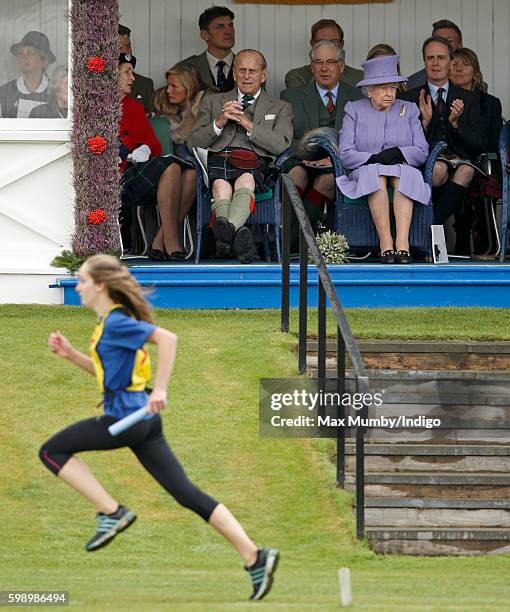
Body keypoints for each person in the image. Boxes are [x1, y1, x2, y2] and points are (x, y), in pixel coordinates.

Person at [38, 254, 279, 601]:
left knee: (51, 451)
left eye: (82, 281)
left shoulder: (118, 322)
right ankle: (255, 556)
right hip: (143, 422)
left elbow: (168, 338)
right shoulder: (110, 323)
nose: (77, 287)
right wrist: (73, 355)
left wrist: (162, 389)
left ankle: (112, 512)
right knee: (186, 493)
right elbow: (113, 377)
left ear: (101, 286)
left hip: (128, 420)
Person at [188, 49, 293, 264]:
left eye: (252, 71)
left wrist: (247, 123)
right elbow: (193, 142)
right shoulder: (213, 101)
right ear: (234, 74)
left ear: (263, 75)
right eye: (242, 70)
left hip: (255, 163)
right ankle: (236, 235)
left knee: (246, 179)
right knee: (220, 185)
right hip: (219, 160)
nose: (247, 76)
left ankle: (226, 239)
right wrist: (219, 121)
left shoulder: (281, 107)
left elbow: (281, 144)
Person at [337, 55, 431, 264]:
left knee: (405, 175)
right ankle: (386, 244)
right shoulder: (354, 109)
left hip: (401, 166)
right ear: (369, 90)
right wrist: (373, 158)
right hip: (367, 167)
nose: (390, 93)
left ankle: (403, 244)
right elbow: (345, 153)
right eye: (383, 88)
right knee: (375, 175)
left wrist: (398, 153)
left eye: (393, 88)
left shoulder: (409, 109)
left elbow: (422, 150)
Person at [400, 37, 486, 227]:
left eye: (441, 57)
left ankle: (429, 228)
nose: (435, 63)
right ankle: (428, 231)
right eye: (430, 58)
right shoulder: (408, 98)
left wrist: (456, 125)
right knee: (438, 169)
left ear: (450, 62)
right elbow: (402, 142)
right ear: (424, 62)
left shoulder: (469, 98)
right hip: (424, 163)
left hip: (461, 160)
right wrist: (424, 123)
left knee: (466, 170)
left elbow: (480, 144)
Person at [281, 41, 362, 240]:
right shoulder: (291, 97)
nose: (324, 68)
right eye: (318, 62)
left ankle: (295, 241)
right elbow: (285, 138)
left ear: (341, 66)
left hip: (340, 162)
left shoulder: (358, 96)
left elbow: (361, 139)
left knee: (327, 180)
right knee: (296, 175)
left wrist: (335, 159)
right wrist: (305, 157)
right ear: (311, 66)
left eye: (330, 62)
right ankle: (287, 241)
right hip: (302, 159)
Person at [146, 64, 207, 260]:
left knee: (191, 174)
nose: (168, 90)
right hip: (166, 169)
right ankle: (171, 242)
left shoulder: (204, 108)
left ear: (188, 87)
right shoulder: (165, 112)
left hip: (202, 167)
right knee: (185, 173)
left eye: (174, 86)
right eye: (168, 85)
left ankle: (160, 239)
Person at [450, 47, 503, 253]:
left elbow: (493, 142)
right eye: (454, 64)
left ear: (476, 72)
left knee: (477, 177)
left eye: (465, 64)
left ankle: (476, 237)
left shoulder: (490, 103)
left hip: (482, 160)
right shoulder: (443, 100)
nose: (459, 68)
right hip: (450, 161)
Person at [284, 19, 362, 89]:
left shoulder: (359, 77)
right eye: (321, 42)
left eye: (333, 42)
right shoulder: (297, 76)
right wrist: (317, 70)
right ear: (312, 44)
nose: (327, 46)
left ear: (342, 44)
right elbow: (301, 101)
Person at [180, 6, 236, 92]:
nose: (228, 31)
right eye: (220, 27)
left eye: (230, 26)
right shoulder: (186, 68)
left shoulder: (252, 67)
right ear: (204, 35)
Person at [0, 30, 55, 118]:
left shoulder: (56, 91)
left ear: (44, 61)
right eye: (20, 53)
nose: (23, 56)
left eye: (30, 52)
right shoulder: (4, 92)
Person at [407, 19, 463, 90]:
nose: (444, 44)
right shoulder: (414, 82)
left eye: (449, 41)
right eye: (439, 40)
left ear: (460, 45)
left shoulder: (469, 78)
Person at [118, 24, 155, 114]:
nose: (126, 51)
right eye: (119, 47)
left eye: (128, 46)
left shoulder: (145, 85)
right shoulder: (91, 84)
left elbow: (152, 120)